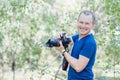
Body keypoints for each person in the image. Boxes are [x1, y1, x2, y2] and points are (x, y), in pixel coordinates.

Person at [55, 10, 97, 80]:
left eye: (87, 23)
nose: (83, 26)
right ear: (77, 22)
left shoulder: (89, 42)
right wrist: (59, 38)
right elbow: (62, 43)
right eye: (81, 22)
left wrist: (63, 52)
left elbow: (78, 67)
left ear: (93, 25)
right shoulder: (77, 37)